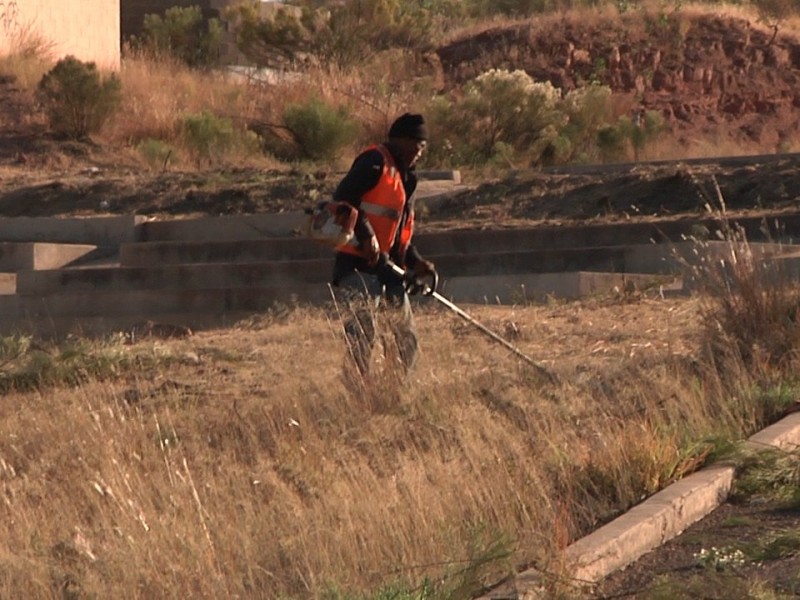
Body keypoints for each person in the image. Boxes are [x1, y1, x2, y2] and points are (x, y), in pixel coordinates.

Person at [331, 112, 436, 380]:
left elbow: (399, 235)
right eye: (418, 146)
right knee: (363, 335)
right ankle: (358, 395)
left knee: (406, 337)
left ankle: (400, 394)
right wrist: (367, 237)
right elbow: (343, 199)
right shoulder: (374, 161)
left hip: (389, 270)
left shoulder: (406, 178)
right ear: (403, 141)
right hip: (357, 266)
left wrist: (415, 262)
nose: (420, 153)